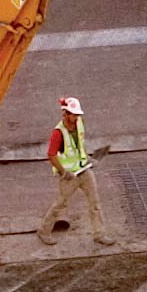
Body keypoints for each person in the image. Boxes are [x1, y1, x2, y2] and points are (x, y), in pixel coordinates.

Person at [37, 97, 115, 247]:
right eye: (73, 114)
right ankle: (44, 230)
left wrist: (87, 158)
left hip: (84, 171)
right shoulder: (58, 133)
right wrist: (63, 172)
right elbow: (51, 155)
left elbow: (80, 143)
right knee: (60, 203)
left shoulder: (79, 123)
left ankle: (99, 234)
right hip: (69, 176)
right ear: (65, 114)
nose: (76, 117)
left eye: (77, 114)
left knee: (95, 202)